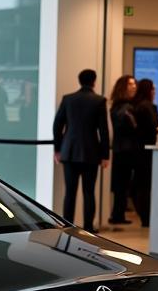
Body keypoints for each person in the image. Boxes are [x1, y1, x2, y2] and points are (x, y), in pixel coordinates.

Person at [52, 68, 110, 232]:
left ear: (79, 81)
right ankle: (89, 228)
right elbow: (103, 130)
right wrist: (105, 155)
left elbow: (57, 125)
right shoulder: (99, 101)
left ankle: (68, 226)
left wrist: (58, 149)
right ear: (94, 81)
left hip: (69, 151)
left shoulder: (68, 99)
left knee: (70, 192)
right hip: (91, 153)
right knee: (89, 192)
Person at [108, 75, 139, 225]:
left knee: (120, 184)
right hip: (126, 149)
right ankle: (118, 215)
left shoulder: (116, 105)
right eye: (130, 84)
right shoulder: (127, 107)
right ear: (123, 87)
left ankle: (117, 214)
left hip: (119, 148)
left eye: (134, 84)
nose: (134, 86)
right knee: (123, 184)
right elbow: (133, 127)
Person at [131, 78, 158, 227]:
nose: (154, 91)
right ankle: (146, 218)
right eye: (152, 89)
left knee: (140, 185)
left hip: (137, 150)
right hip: (145, 151)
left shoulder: (137, 105)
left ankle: (144, 216)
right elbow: (150, 129)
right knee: (144, 186)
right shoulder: (147, 107)